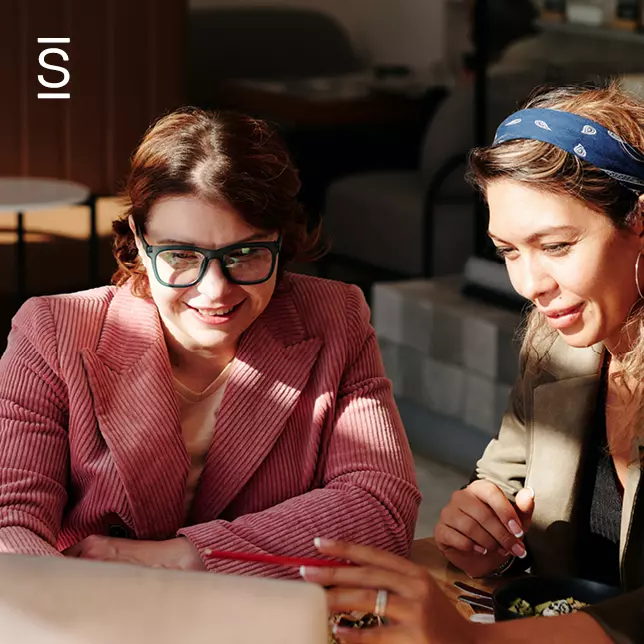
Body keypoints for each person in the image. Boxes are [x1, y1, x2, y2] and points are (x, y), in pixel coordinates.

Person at [0, 108, 421, 575]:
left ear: (281, 239)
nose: (215, 290)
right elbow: (8, 522)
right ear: (140, 239)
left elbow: (381, 507)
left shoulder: (334, 318)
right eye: (181, 254)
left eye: (245, 253)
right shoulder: (53, 332)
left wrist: (189, 556)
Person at [304, 82, 644, 643]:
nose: (530, 285)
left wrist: (481, 641)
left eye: (556, 246)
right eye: (509, 251)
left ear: (638, 221)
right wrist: (484, 534)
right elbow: (500, 488)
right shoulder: (559, 346)